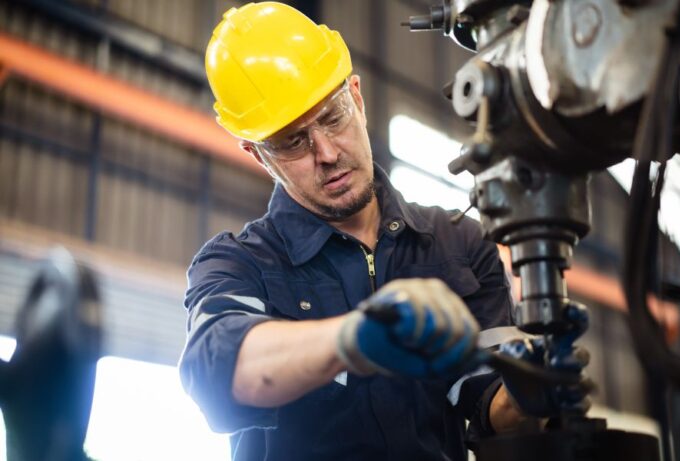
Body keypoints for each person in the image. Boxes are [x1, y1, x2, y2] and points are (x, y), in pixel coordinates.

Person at [179, 2, 524, 460]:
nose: (326, 152)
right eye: (291, 142)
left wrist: (531, 392)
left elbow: (488, 401)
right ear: (258, 155)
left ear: (357, 98)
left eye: (333, 117)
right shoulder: (239, 263)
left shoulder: (459, 243)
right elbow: (219, 368)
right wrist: (350, 339)